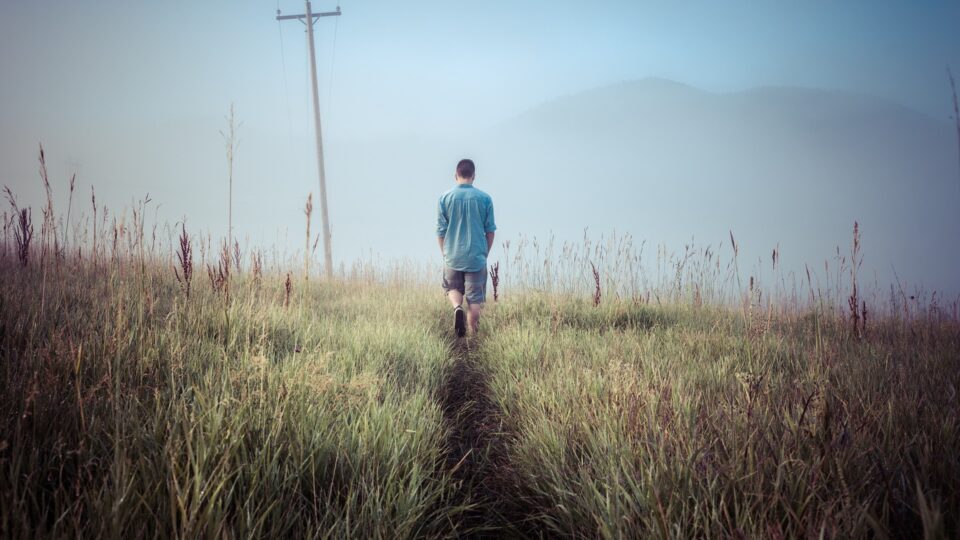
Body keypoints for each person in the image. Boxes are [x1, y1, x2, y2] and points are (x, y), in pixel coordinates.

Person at [436, 158, 496, 337]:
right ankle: (473, 340)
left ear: (456, 175)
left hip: (452, 255)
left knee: (452, 289)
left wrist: (445, 253)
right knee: (474, 301)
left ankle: (456, 308)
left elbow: (440, 231)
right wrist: (484, 253)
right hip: (476, 256)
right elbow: (490, 231)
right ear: (474, 176)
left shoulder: (445, 198)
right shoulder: (485, 199)